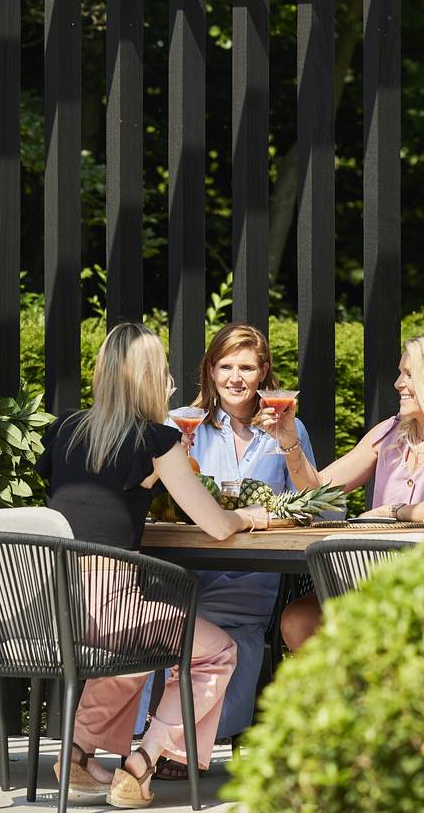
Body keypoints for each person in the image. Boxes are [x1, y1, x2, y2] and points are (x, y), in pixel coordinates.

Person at [38, 323, 269, 808]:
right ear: (150, 377)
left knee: (136, 647)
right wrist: (250, 514)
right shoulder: (156, 439)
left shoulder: (61, 431)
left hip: (52, 604)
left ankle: (79, 754)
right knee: (218, 651)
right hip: (108, 607)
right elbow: (216, 524)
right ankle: (142, 765)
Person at [133, 323, 317, 774]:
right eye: (226, 366)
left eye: (247, 367)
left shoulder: (286, 427)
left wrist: (289, 442)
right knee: (165, 620)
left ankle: (174, 743)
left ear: (263, 374)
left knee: (230, 628)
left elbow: (316, 502)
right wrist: (179, 455)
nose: (236, 377)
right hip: (184, 574)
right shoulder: (179, 423)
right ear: (210, 371)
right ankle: (165, 743)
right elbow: (146, 496)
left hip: (250, 578)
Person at [260, 332, 424, 653]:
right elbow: (315, 491)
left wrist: (392, 512)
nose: (397, 384)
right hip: (375, 583)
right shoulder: (388, 433)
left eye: (409, 375)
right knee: (299, 619)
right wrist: (288, 440)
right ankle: (345, 701)